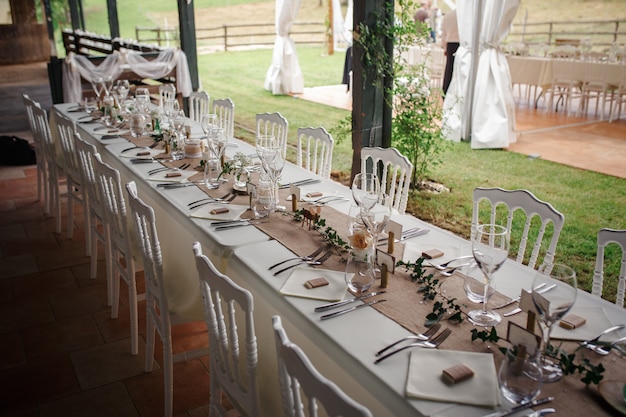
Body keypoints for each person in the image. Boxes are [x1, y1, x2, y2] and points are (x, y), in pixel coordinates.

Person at [440, 8, 459, 95]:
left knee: (449, 69)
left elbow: (443, 33)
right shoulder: (467, 15)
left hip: (450, 44)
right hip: (462, 44)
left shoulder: (448, 15)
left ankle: (446, 91)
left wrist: (444, 47)